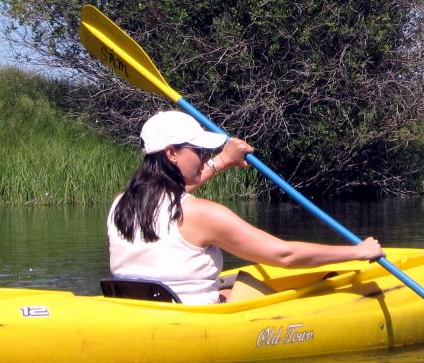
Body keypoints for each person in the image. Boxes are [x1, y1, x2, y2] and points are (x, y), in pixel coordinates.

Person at [107, 111, 383, 305]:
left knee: (231, 289)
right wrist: (358, 252)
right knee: (256, 287)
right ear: (172, 153)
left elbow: (173, 190)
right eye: (200, 152)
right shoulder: (202, 215)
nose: (205, 158)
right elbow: (283, 255)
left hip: (142, 309)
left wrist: (224, 160)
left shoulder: (122, 203)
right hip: (195, 321)